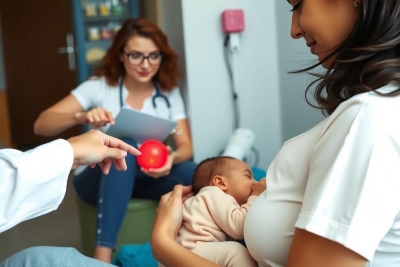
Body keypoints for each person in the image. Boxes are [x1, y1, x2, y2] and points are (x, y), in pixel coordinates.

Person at [150, 0, 400, 266]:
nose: (294, 29)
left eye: (299, 5)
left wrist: (164, 243)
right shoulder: (373, 110)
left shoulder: (367, 119)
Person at [34, 17, 196, 263]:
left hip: (144, 175)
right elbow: (41, 124)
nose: (146, 64)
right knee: (124, 144)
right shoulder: (99, 87)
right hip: (96, 177)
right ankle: (103, 257)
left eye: (154, 56)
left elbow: (186, 147)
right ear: (121, 54)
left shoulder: (168, 93)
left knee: (198, 173)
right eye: (136, 55)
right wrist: (82, 115)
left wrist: (171, 157)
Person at [0, 130, 140, 267]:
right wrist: (70, 149)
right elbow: (40, 125)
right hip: (96, 171)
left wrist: (70, 151)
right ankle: (103, 254)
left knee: (36, 258)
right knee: (37, 259)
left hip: (142, 170)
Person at [159, 157, 266, 267]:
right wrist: (255, 196)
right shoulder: (213, 193)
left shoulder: (207, 201)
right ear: (220, 183)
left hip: (177, 254)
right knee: (237, 252)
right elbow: (239, 227)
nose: (255, 183)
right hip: (191, 249)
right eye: (248, 176)